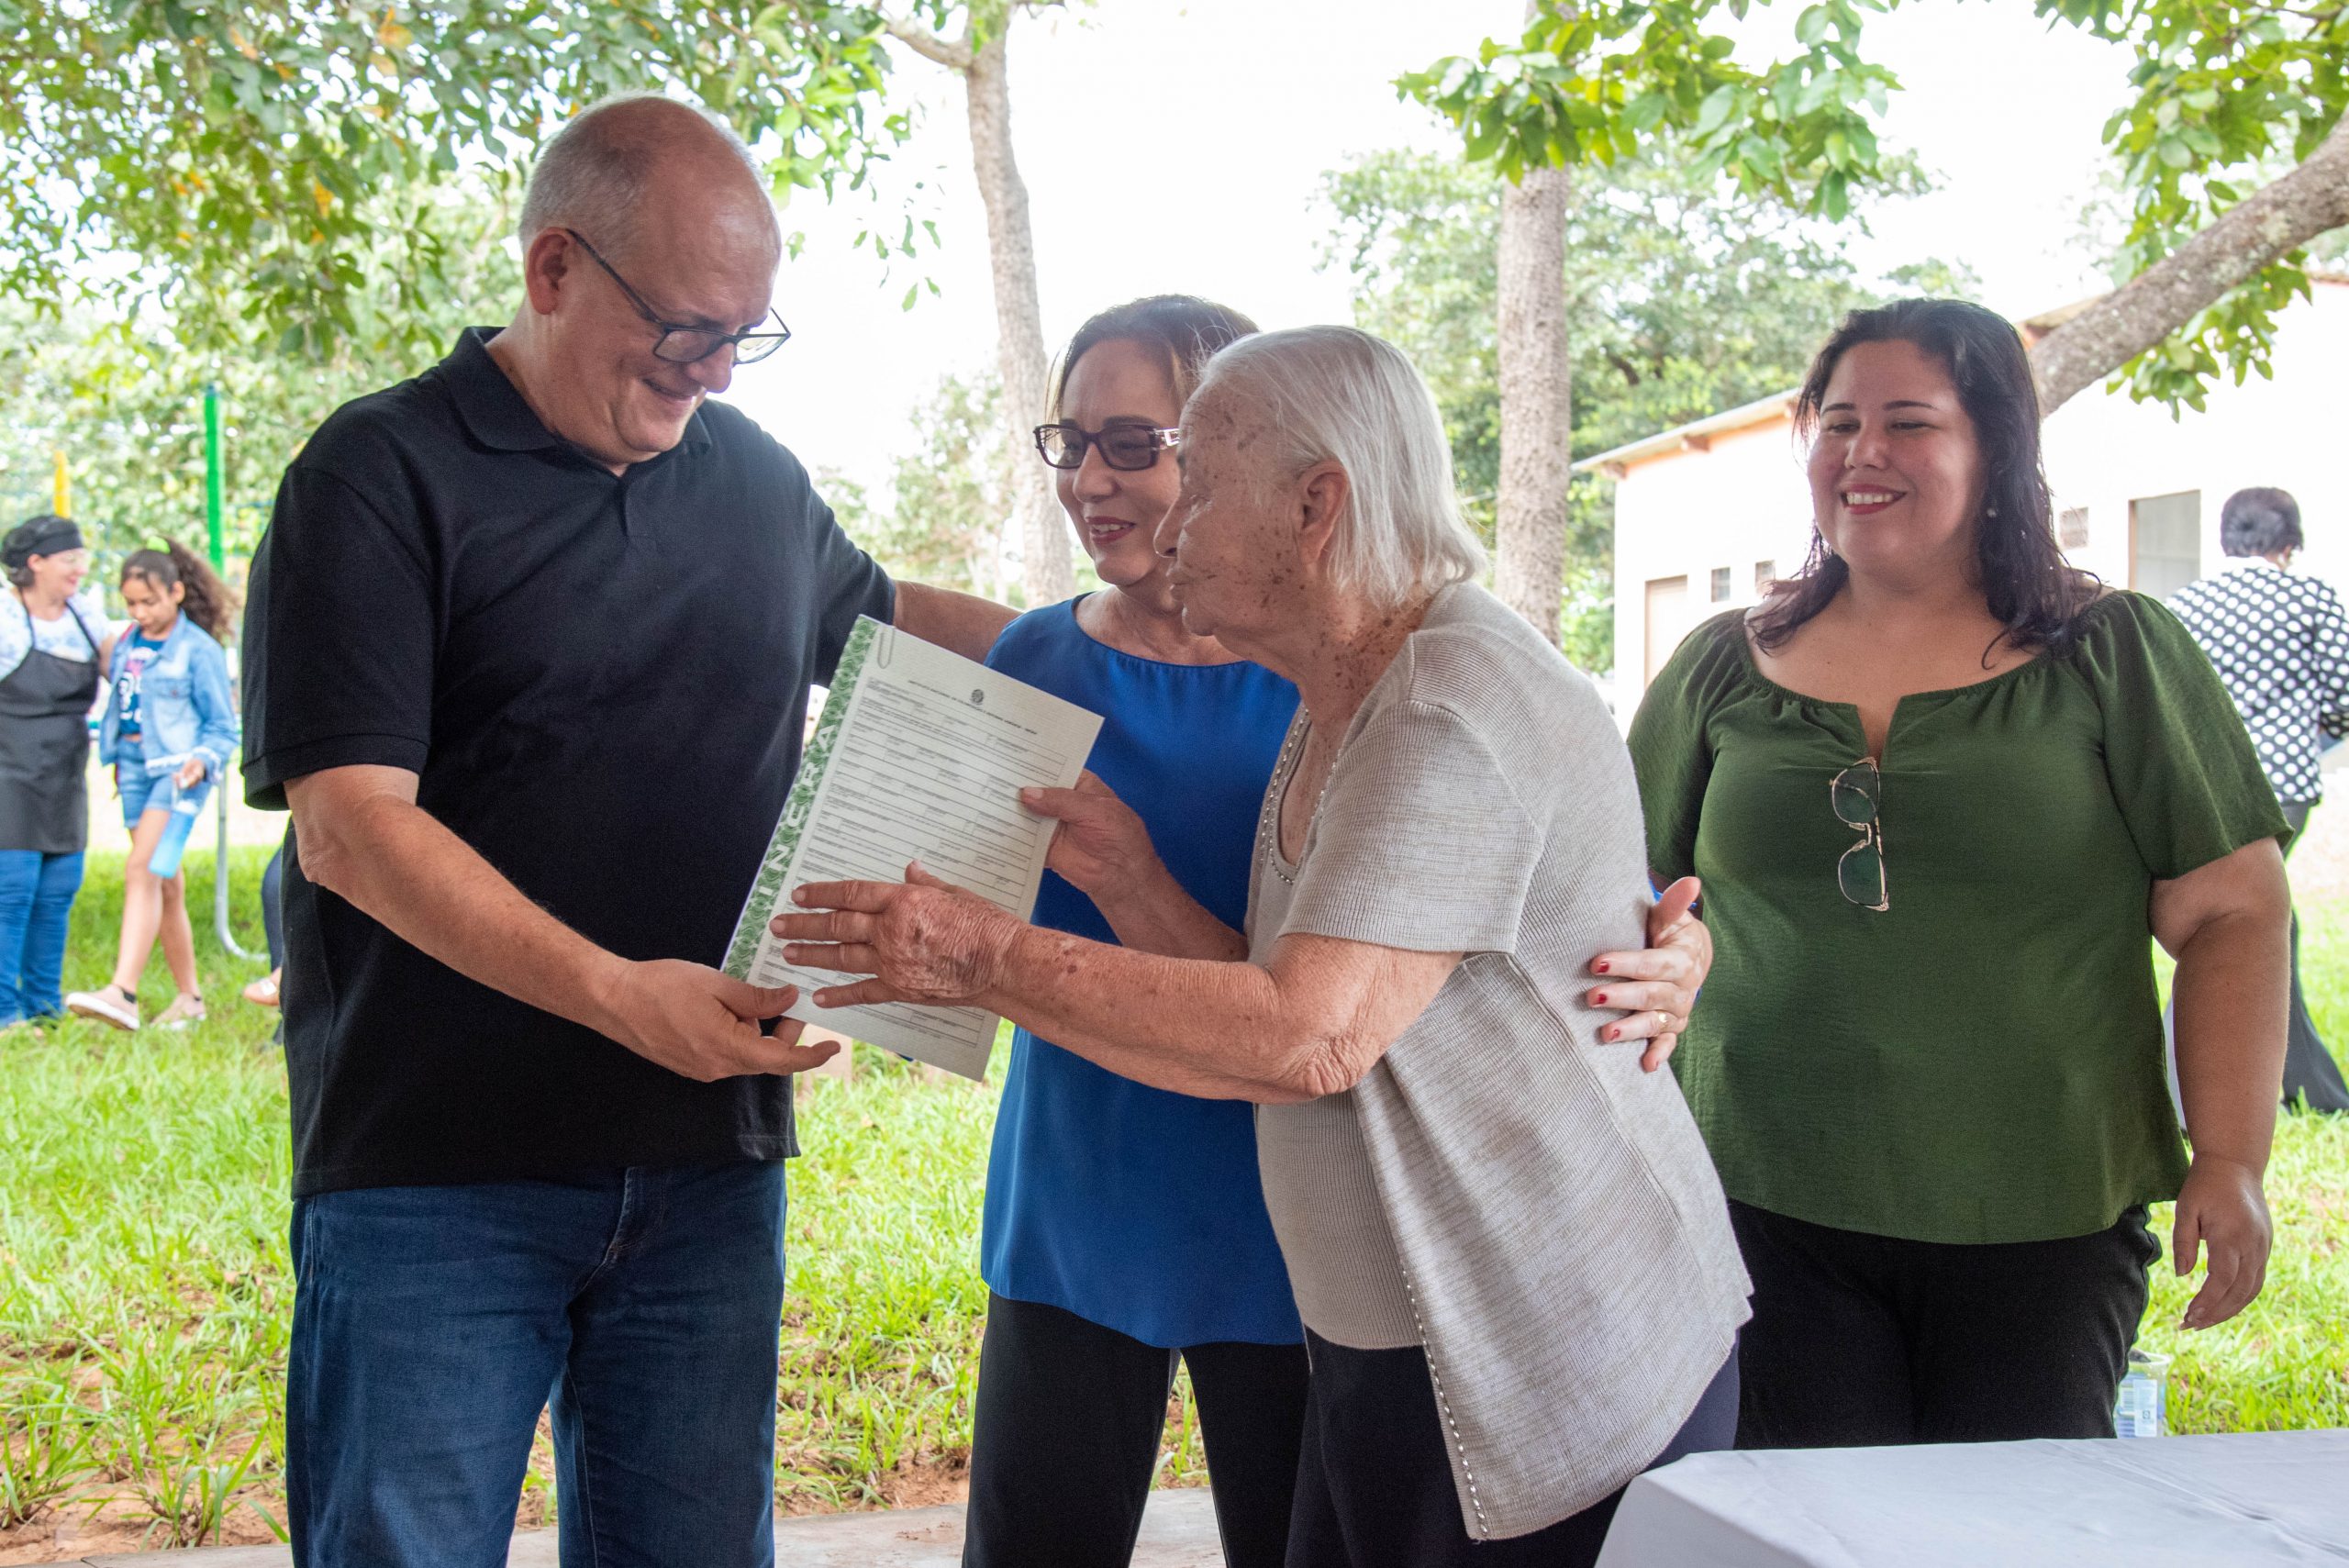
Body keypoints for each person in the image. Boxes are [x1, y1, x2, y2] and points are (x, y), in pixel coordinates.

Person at [778, 325, 1750, 1567]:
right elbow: (1282, 973)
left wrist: (981, 959)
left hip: (1516, 1332)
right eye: (1083, 447)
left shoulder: (1444, 704)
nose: (1165, 520)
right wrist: (1128, 878)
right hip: (1376, 1311)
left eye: (1195, 473)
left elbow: (1311, 1030)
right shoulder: (1335, 689)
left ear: (1315, 505)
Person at [239, 94, 1008, 1568]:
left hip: (709, 1165)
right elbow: (350, 829)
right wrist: (618, 998)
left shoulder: (752, 478)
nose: (712, 373)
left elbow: (903, 631)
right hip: (435, 1175)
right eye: (683, 331)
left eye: (744, 337)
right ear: (553, 270)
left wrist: (1147, 645)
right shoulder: (374, 475)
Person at [1629, 298, 2292, 1451]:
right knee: (1806, 1529)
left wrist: (2231, 1156)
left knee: (2006, 1530)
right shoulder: (1719, 667)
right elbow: (1619, 894)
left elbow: (2232, 910)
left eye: (1908, 422)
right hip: (1756, 1201)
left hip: (2040, 1211)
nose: (1862, 454)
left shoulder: (2111, 652)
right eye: (1836, 423)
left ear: (1995, 452)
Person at [2168, 487, 2349, 1112]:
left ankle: (2311, 1088)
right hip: (2284, 783)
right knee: (2241, 923)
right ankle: (2189, 1089)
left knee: (2241, 920)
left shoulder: (2185, 604)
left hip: (2202, 781)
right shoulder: (2310, 596)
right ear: (2289, 540)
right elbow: (2343, 697)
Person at [64, 541, 239, 1033]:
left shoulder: (198, 650)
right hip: (136, 771)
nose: (140, 613)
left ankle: (122, 992)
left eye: (149, 602)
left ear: (176, 593)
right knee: (166, 883)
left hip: (177, 773)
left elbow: (222, 727)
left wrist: (200, 763)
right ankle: (191, 998)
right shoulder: (127, 644)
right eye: (132, 603)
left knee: (143, 868)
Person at [0, 515, 117, 1034]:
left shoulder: (85, 617)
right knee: (14, 889)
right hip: (9, 773)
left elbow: (126, 672)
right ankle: (6, 1012)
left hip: (66, 773)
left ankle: (44, 1006)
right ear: (36, 563)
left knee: (59, 888)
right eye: (69, 558)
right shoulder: (5, 619)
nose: (79, 568)